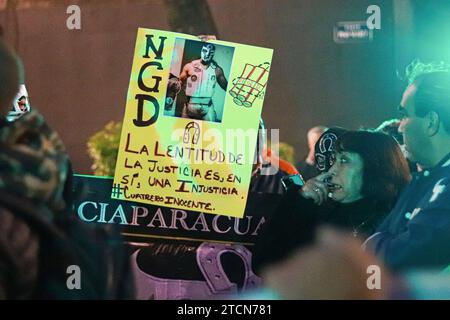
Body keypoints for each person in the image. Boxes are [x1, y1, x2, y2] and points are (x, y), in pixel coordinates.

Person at [253, 130, 411, 272]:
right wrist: (299, 205)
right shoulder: (320, 211)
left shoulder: (399, 224)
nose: (331, 170)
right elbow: (265, 264)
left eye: (343, 161)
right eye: (334, 160)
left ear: (374, 168)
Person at [364, 60, 450, 272]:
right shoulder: (424, 179)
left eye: (404, 115)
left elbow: (403, 258)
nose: (400, 126)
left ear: (431, 122)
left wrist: (373, 246)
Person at [177, 42, 228, 122]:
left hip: (207, 108)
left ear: (213, 54)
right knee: (182, 129)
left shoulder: (217, 70)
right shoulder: (190, 66)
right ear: (201, 51)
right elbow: (179, 82)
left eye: (210, 53)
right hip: (189, 107)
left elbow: (227, 88)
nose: (207, 54)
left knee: (212, 131)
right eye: (205, 51)